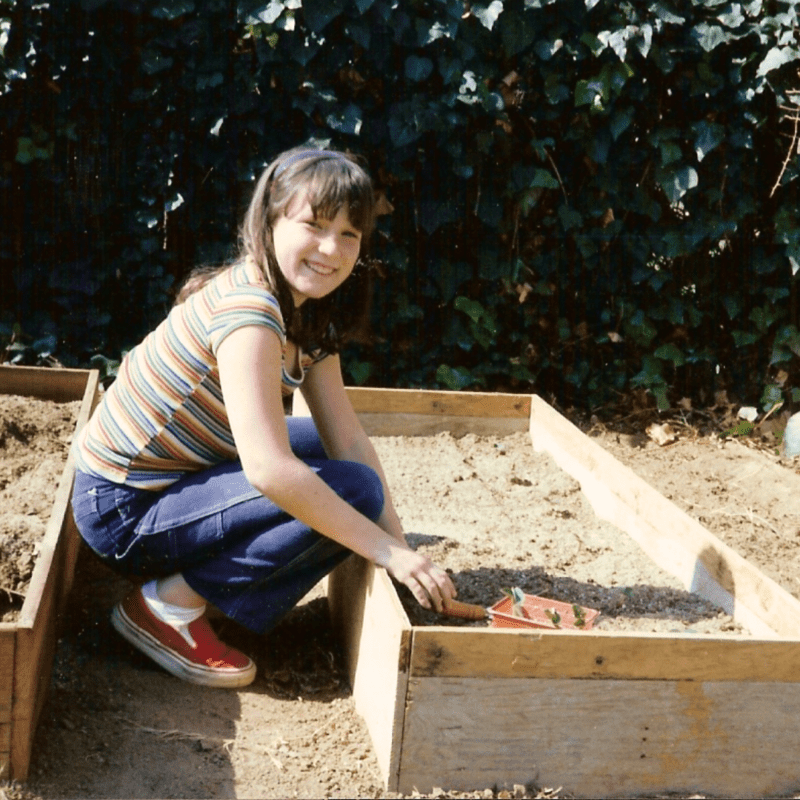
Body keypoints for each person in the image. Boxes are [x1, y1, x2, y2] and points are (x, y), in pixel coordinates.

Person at [70, 146, 456, 688]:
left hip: (173, 477)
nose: (332, 249)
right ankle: (167, 607)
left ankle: (209, 582)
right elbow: (269, 470)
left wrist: (402, 554)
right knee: (348, 493)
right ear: (270, 221)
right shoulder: (250, 311)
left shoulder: (307, 310)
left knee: (343, 472)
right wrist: (384, 548)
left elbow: (345, 437)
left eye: (349, 234)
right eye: (314, 225)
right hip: (122, 509)